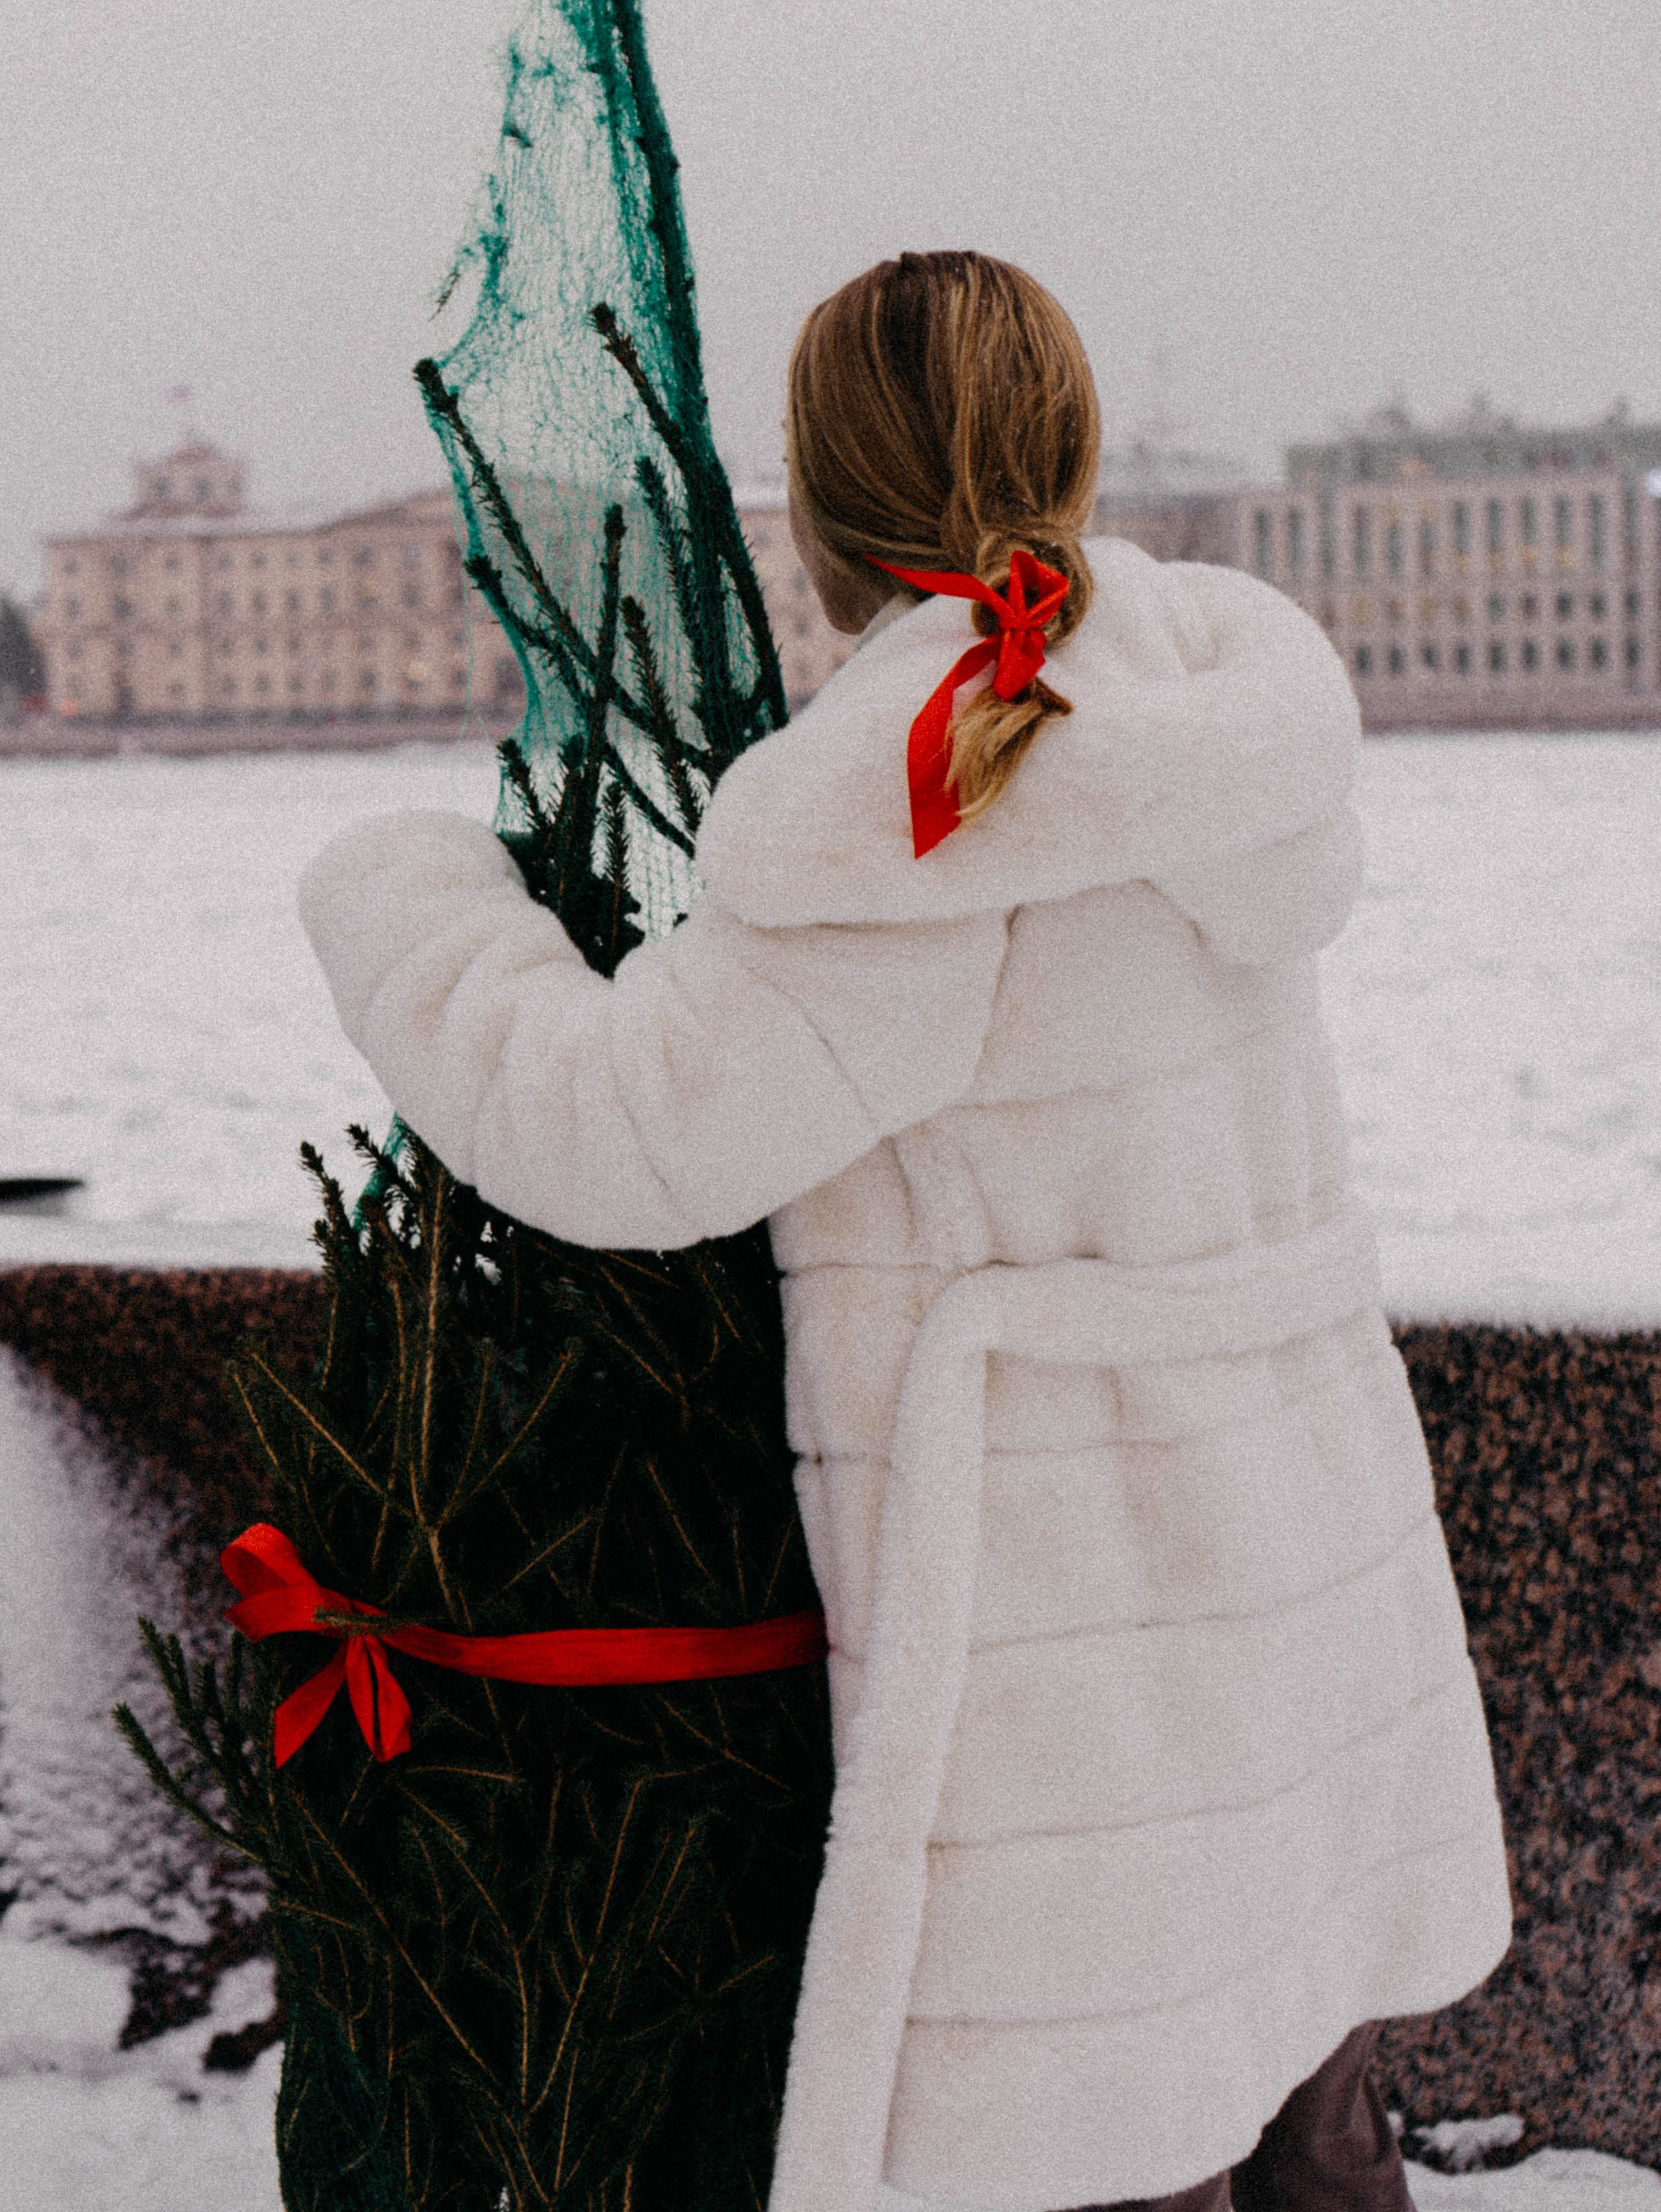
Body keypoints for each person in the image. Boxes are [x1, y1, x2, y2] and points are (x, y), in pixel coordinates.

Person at [297, 250, 1512, 2212]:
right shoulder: (1208, 717)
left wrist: (415, 899)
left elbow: (619, 1134)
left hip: (1069, 1655)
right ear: (1075, 439)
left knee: (1115, 2151)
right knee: (1315, 2117)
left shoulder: (904, 803)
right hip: (1300, 1585)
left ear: (820, 495)